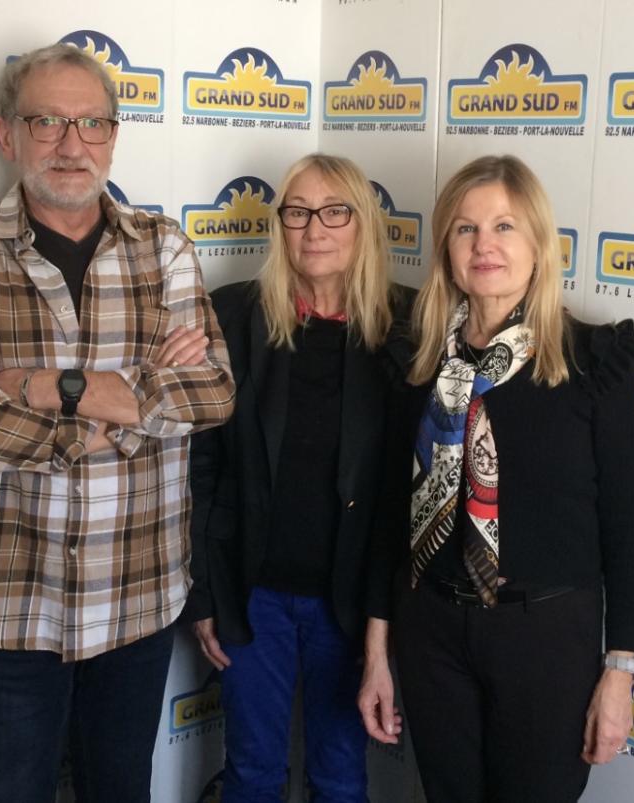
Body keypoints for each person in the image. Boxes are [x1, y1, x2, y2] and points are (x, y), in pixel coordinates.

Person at [0, 43, 234, 803]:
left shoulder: (165, 248)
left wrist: (45, 386)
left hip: (139, 595)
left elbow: (213, 392)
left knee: (118, 791)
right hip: (12, 601)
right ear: (8, 135)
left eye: (91, 123)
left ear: (114, 135)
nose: (71, 144)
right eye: (49, 121)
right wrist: (133, 407)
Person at [357, 155, 634, 803]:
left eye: (504, 226)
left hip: (546, 641)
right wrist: (377, 652)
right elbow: (388, 518)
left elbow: (629, 533)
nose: (484, 244)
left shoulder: (594, 365)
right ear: (446, 250)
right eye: (465, 228)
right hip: (430, 630)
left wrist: (619, 676)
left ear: (539, 245)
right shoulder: (418, 364)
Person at [183, 154, 414, 802]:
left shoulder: (405, 327)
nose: (315, 228)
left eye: (334, 210)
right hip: (253, 596)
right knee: (252, 771)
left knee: (340, 776)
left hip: (352, 605)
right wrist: (203, 593)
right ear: (280, 225)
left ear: (362, 224)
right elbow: (201, 463)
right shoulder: (233, 315)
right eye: (297, 211)